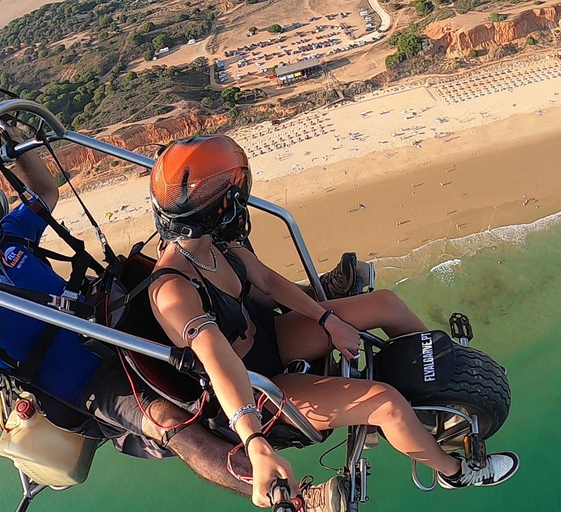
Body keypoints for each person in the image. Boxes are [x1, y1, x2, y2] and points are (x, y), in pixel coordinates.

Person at [0, 133, 345, 511]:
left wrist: (19, 142)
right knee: (167, 422)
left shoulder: (10, 239)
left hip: (107, 314)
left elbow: (43, 192)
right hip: (81, 380)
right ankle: (289, 496)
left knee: (181, 280)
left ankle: (312, 306)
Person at [147, 135, 520, 508]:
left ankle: (439, 381)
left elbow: (269, 282)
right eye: (230, 198)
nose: (238, 205)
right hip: (260, 388)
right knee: (386, 404)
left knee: (385, 304)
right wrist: (255, 442)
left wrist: (328, 319)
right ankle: (454, 472)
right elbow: (217, 360)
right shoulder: (173, 292)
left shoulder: (217, 246)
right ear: (211, 213)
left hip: (270, 338)